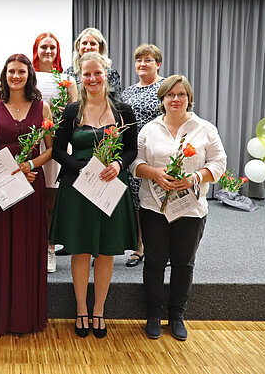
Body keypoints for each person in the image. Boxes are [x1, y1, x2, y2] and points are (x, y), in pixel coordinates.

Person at [49, 52, 138, 338]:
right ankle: (81, 310)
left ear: (106, 73)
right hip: (78, 187)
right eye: (86, 74)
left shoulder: (124, 110)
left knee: (106, 250)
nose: (92, 78)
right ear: (80, 76)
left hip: (111, 184)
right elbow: (59, 151)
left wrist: (118, 163)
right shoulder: (71, 110)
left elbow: (131, 149)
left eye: (97, 73)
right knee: (81, 249)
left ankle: (99, 309)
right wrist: (81, 167)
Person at [131, 74, 226, 341]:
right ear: (162, 99)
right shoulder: (149, 130)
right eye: (170, 94)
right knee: (155, 262)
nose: (175, 99)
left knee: (184, 264)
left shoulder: (205, 128)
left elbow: (219, 164)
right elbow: (134, 164)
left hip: (190, 209)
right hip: (154, 208)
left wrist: (195, 177)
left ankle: (177, 315)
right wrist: (155, 173)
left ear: (189, 99)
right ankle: (152, 314)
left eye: (181, 94)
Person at [0, 54, 53, 334]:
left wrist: (30, 165)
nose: (16, 76)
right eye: (11, 71)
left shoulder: (42, 107)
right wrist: (11, 169)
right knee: (2, 247)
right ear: (4, 75)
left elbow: (49, 149)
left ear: (29, 74)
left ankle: (27, 315)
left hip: (33, 184)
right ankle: (1, 315)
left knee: (28, 246)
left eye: (21, 72)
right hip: (2, 185)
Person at [32, 32, 78, 273]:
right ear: (36, 50)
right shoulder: (28, 77)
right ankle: (31, 247)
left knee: (51, 198)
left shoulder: (67, 80)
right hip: (32, 144)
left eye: (52, 47)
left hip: (56, 144)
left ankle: (50, 247)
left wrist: (64, 112)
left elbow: (77, 113)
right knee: (30, 198)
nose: (48, 51)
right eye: (43, 47)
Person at [122, 44, 166, 267]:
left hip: (158, 152)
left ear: (158, 64)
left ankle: (163, 250)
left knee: (160, 200)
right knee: (138, 202)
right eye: (139, 60)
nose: (142, 64)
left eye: (148, 60)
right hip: (132, 153)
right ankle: (139, 247)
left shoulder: (166, 87)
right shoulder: (128, 91)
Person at [64, 28, 122, 102]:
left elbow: (117, 103)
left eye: (93, 44)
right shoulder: (68, 74)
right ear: (78, 46)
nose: (88, 47)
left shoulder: (111, 73)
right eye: (84, 43)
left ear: (100, 47)